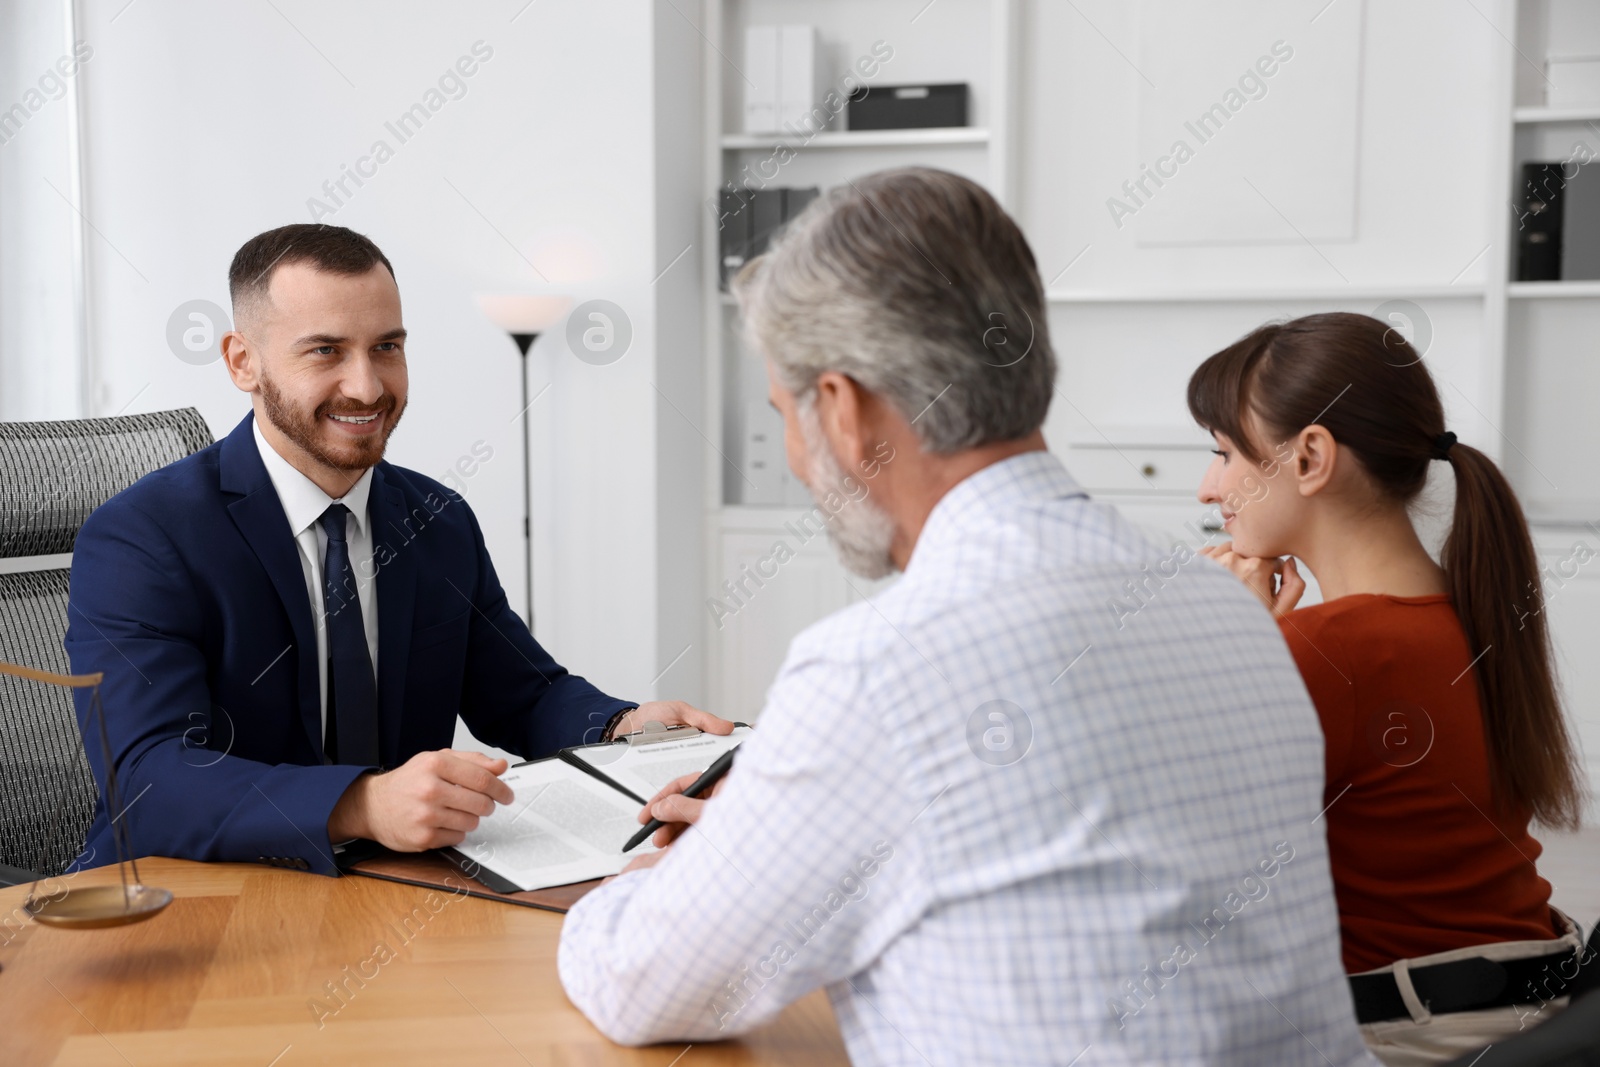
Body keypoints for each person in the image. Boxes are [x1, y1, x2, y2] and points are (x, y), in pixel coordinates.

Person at [557, 168, 1373, 1065]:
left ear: (843, 407)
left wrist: (641, 885)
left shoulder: (880, 665)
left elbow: (647, 983)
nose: (794, 455)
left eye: (787, 413)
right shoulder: (1229, 611)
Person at [65, 223, 728, 876]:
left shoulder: (436, 518)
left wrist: (622, 727)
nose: (367, 386)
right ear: (243, 361)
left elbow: (524, 696)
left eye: (386, 346)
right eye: (325, 351)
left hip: (391, 886)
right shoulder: (144, 536)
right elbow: (149, 778)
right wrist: (360, 804)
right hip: (185, 899)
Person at [1187, 312, 1591, 1065]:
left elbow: (1190, 865)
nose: (1209, 487)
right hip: (1522, 1006)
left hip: (1404, 1034)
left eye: (1222, 453)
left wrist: (1238, 651)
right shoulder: (1466, 610)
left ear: (1309, 457)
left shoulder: (1328, 649)